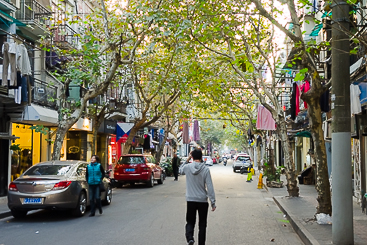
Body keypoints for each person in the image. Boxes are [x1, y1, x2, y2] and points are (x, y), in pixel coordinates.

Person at [179, 149, 216, 245]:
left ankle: (190, 238)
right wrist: (213, 202)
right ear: (201, 157)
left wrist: (187, 159)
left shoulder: (187, 167)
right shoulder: (205, 169)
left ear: (192, 157)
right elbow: (210, 186)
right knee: (202, 225)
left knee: (190, 222)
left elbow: (180, 170)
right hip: (202, 201)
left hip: (191, 200)